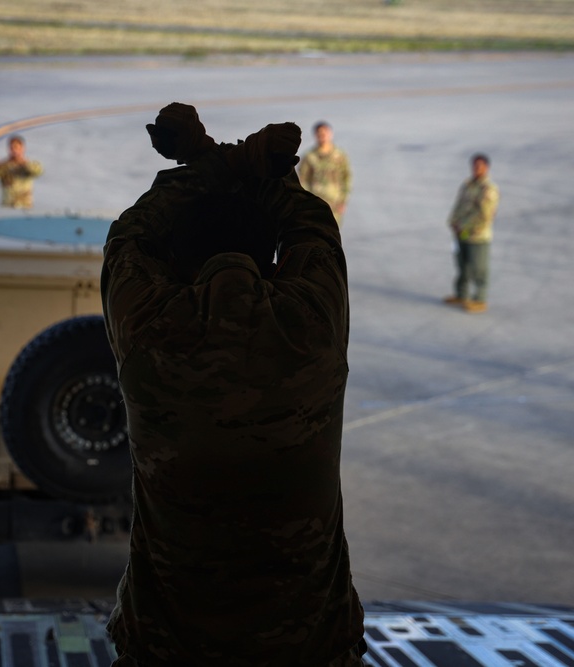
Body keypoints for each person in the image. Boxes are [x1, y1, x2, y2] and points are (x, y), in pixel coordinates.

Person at [101, 103, 366, 666]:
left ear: (174, 260)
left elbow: (127, 239)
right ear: (273, 259)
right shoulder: (312, 328)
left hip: (168, 649)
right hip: (310, 648)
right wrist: (253, 165)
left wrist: (208, 161)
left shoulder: (149, 333)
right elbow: (315, 228)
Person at [443, 153, 500, 314]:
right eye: (475, 166)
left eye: (480, 166)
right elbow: (458, 205)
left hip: (478, 236)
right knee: (462, 265)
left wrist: (465, 227)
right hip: (462, 233)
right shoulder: (467, 185)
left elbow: (485, 215)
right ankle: (461, 294)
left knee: (479, 268)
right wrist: (452, 222)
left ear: (487, 168)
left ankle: (479, 299)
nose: (477, 169)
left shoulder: (488, 189)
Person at [297, 121, 352, 226]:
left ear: (330, 134)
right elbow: (302, 180)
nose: (322, 136)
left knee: (332, 234)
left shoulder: (339, 155)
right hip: (315, 204)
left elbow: (346, 178)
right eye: (319, 133)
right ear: (315, 135)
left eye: (325, 133)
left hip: (334, 202)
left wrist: (343, 201)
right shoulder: (309, 157)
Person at [0, 134, 42, 209]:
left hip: (24, 206)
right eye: (12, 148)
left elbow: (38, 171)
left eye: (17, 148)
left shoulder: (29, 165)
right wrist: (1, 165)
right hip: (7, 205)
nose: (14, 150)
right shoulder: (4, 165)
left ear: (22, 148)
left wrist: (24, 164)